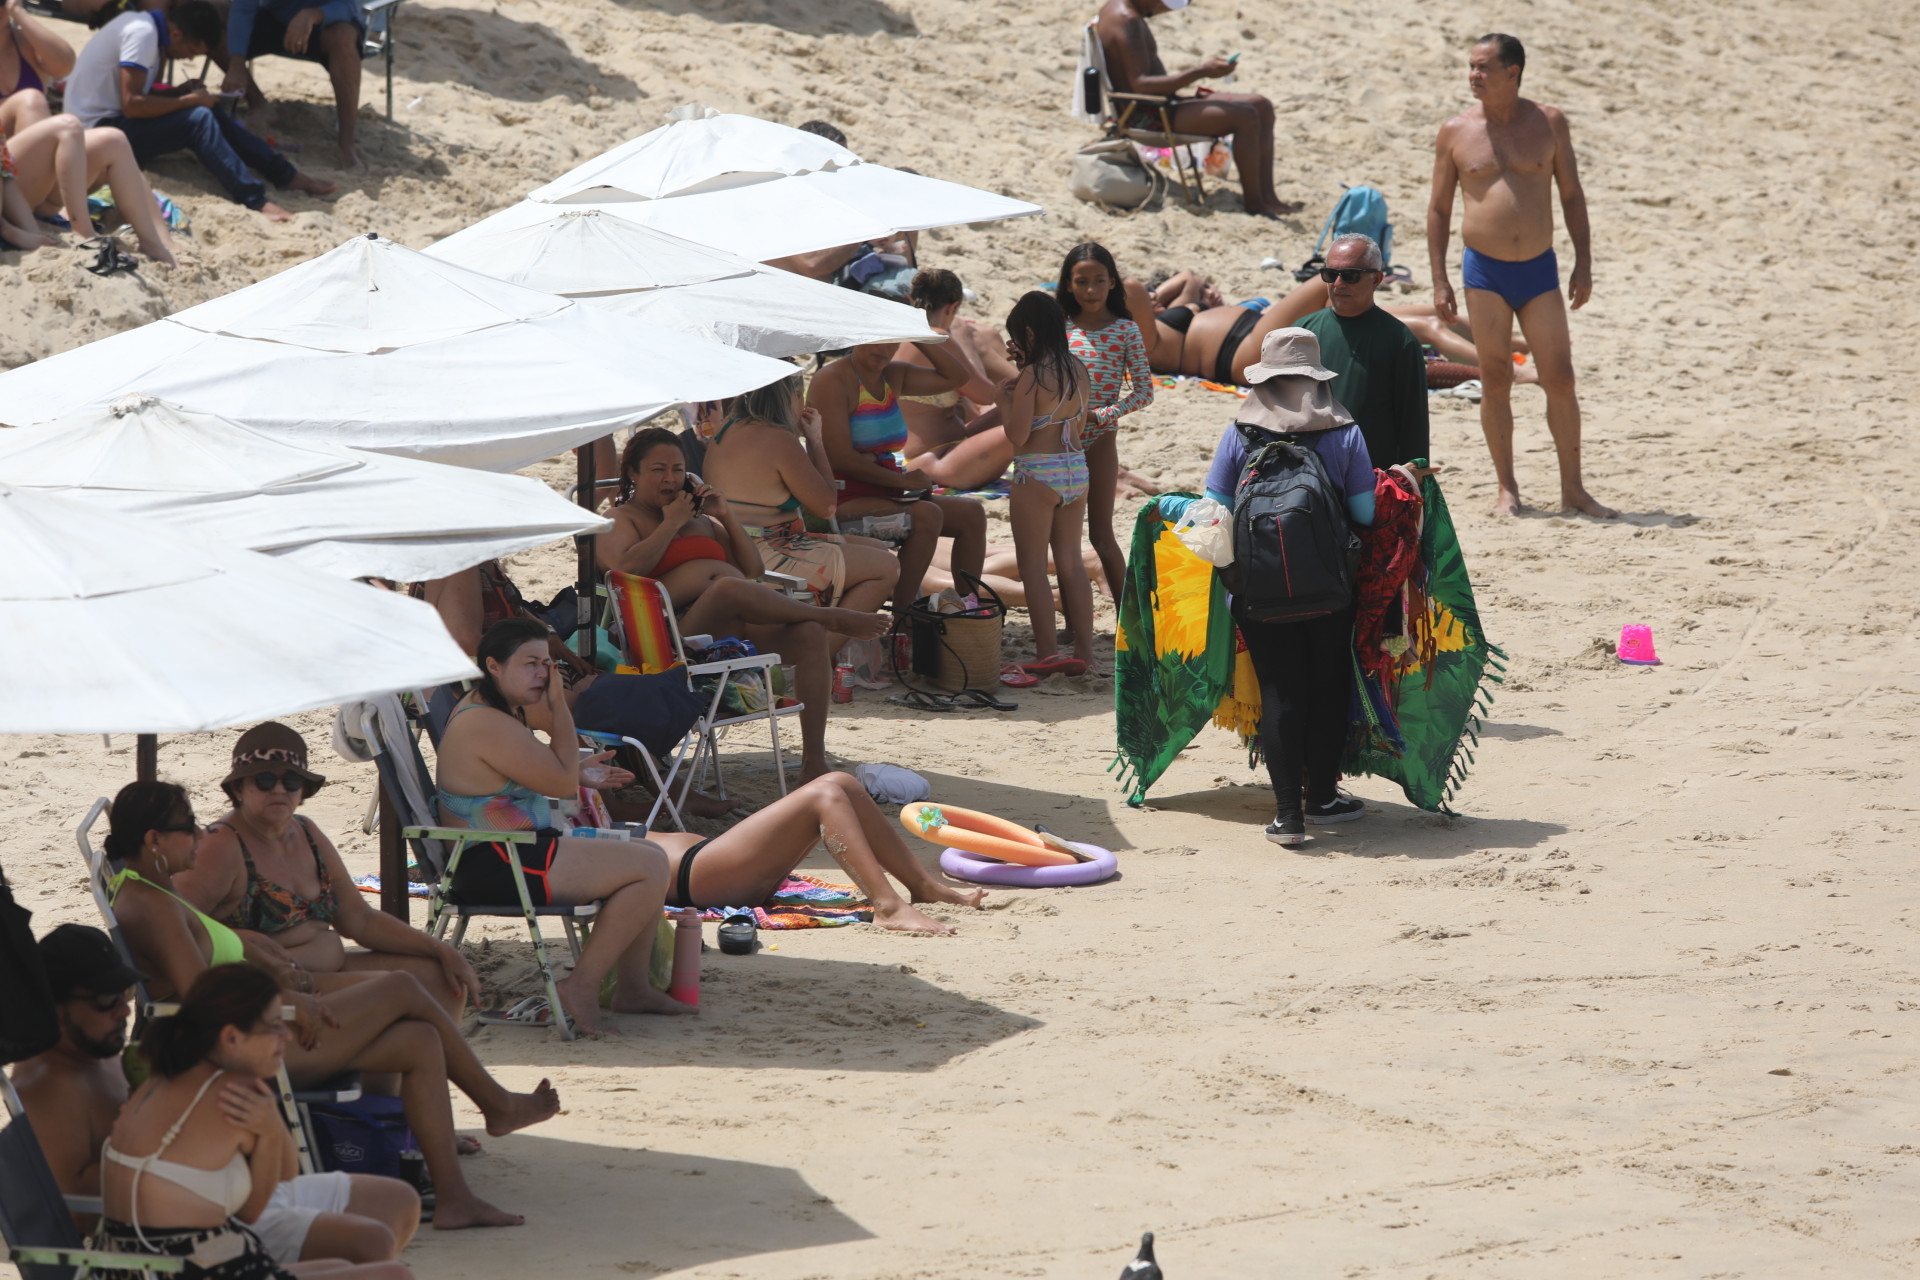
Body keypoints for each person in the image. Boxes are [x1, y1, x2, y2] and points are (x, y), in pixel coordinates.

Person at [105, 780, 557, 1228]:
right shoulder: (152, 904)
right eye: (191, 827)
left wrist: (248, 944)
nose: (202, 835)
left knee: (418, 1040)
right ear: (154, 839)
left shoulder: (153, 888)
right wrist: (287, 1000)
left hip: (252, 1030)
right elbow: (205, 998)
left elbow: (200, 952)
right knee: (400, 986)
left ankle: (455, 1198)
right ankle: (496, 1104)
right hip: (238, 1049)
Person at [11, 924, 419, 1264]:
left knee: (396, 1202)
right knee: (369, 1248)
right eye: (105, 1000)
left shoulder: (97, 1052)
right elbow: (72, 1214)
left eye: (126, 995)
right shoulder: (48, 1087)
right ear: (53, 1004)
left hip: (217, 1186)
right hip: (182, 1224)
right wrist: (179, 1149)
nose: (122, 1010)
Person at [433, 617, 699, 1035]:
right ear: (494, 666)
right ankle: (582, 985)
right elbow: (558, 782)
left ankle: (633, 988)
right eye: (530, 664)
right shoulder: (486, 722)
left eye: (547, 664)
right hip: (498, 862)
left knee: (649, 855)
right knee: (649, 867)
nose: (542, 673)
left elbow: (540, 772)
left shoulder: (493, 710)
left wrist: (576, 770)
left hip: (507, 851)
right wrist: (558, 708)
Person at [598, 430, 890, 781]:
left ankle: (814, 760)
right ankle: (828, 615)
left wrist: (725, 516)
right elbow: (625, 572)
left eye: (678, 469)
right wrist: (671, 522)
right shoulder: (619, 519)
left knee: (808, 634)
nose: (670, 479)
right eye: (658, 469)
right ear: (632, 472)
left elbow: (752, 569)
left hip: (728, 629)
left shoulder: (702, 520)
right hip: (668, 639)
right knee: (729, 589)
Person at [93, 963, 412, 1280]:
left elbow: (280, 1182)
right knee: (393, 1276)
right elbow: (255, 1207)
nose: (286, 1034)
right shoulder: (229, 1094)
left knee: (345, 1267)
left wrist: (270, 1125)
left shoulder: (169, 1076)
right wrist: (271, 1127)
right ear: (232, 1037)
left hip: (140, 1265)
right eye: (275, 1025)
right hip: (183, 1267)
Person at [173, 723, 481, 1017]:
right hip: (270, 991)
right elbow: (176, 926)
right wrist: (241, 940)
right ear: (239, 788)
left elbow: (360, 920)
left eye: (291, 781)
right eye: (264, 780)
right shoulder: (222, 846)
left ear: (303, 789)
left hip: (325, 973)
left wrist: (439, 948)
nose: (279, 789)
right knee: (400, 995)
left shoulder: (307, 832)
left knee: (443, 980)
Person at [1427, 32, 1614, 518]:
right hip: (1482, 270)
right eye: (1470, 66)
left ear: (1513, 72)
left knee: (1560, 377)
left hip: (1539, 269)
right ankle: (1506, 489)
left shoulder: (1548, 122)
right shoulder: (1456, 131)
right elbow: (1439, 209)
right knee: (1495, 376)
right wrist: (1440, 279)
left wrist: (1584, 261)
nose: (1473, 75)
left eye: (1483, 67)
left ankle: (1573, 489)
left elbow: (1571, 194)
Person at [1202, 329, 1375, 846]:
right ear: (1318, 380)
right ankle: (1321, 796)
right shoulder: (1344, 432)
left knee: (1280, 690)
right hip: (1328, 588)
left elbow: (1215, 511)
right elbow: (1365, 513)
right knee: (1327, 685)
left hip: (1259, 591)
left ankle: (1287, 816)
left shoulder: (1239, 433)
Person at [64, 1, 335, 221]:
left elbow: (132, 96)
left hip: (110, 122)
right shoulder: (142, 34)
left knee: (207, 107)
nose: (191, 58)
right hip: (95, 135)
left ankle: (283, 174)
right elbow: (132, 105)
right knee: (198, 118)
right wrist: (188, 102)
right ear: (177, 33)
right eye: (192, 50)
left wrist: (178, 92)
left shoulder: (147, 30)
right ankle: (255, 199)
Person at [647, 771, 987, 934]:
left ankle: (922, 887)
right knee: (825, 796)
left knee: (844, 783)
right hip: (699, 875)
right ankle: (888, 906)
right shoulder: (593, 835)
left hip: (709, 863)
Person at [809, 337, 989, 614]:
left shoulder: (893, 375)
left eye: (893, 342)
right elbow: (838, 456)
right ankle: (905, 616)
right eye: (878, 340)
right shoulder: (832, 379)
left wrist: (919, 336)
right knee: (927, 516)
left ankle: (967, 608)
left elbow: (957, 377)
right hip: (840, 500)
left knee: (971, 514)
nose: (884, 349)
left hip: (886, 491)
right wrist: (902, 481)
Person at [698, 373, 901, 617]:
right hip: (767, 553)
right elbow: (826, 506)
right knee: (887, 567)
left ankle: (831, 633)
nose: (804, 407)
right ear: (789, 399)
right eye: (800, 398)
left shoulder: (728, 428)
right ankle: (827, 644)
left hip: (736, 545)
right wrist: (815, 440)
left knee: (878, 548)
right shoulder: (779, 440)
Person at [1093, 0, 1286, 217]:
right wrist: (1201, 71)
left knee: (1261, 105)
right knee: (1246, 117)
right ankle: (1255, 204)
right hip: (1150, 114)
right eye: (1159, 5)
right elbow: (1141, 86)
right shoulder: (1127, 20)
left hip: (1158, 104)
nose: (1158, 11)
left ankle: (1269, 198)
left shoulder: (1117, 8)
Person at [992, 291, 1095, 677]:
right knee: (1071, 563)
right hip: (1075, 468)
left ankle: (1049, 652)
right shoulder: (1079, 368)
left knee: (1033, 566)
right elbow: (1079, 425)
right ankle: (1085, 650)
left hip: (1037, 472)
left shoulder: (1033, 376)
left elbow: (1018, 436)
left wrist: (1002, 402)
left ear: (1030, 333)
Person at [1057, 242, 1151, 600]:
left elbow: (1144, 392)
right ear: (1068, 284)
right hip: (1060, 442)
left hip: (1099, 441)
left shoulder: (1126, 330)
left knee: (1101, 535)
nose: (1091, 290)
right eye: (1082, 282)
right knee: (1063, 540)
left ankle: (1135, 620)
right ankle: (1071, 621)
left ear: (1113, 283)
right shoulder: (1059, 329)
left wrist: (1102, 415)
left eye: (1099, 280)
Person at [1296, 233, 1431, 469]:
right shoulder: (1302, 332)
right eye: (1330, 274)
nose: (1338, 284)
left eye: (1350, 275)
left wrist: (1413, 482)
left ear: (1376, 279)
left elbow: (1413, 425)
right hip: (1307, 475)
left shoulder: (1400, 341)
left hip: (1371, 479)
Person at [2, 110, 177, 262]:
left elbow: (5, 172)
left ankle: (157, 243)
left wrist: (29, 231)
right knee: (66, 124)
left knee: (115, 140)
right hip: (13, 207)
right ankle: (84, 232)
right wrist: (12, 231)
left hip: (21, 198)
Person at [220, 0, 363, 167]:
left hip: (326, 23)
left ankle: (346, 144)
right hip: (274, 17)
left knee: (344, 36)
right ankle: (257, 103)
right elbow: (244, 7)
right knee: (211, 13)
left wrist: (312, 15)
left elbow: (348, 7)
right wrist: (236, 63)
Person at [0, 0, 73, 135]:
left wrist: (18, 13)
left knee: (111, 140)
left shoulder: (27, 44)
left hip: (27, 147)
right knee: (30, 100)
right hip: (6, 150)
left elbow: (65, 65)